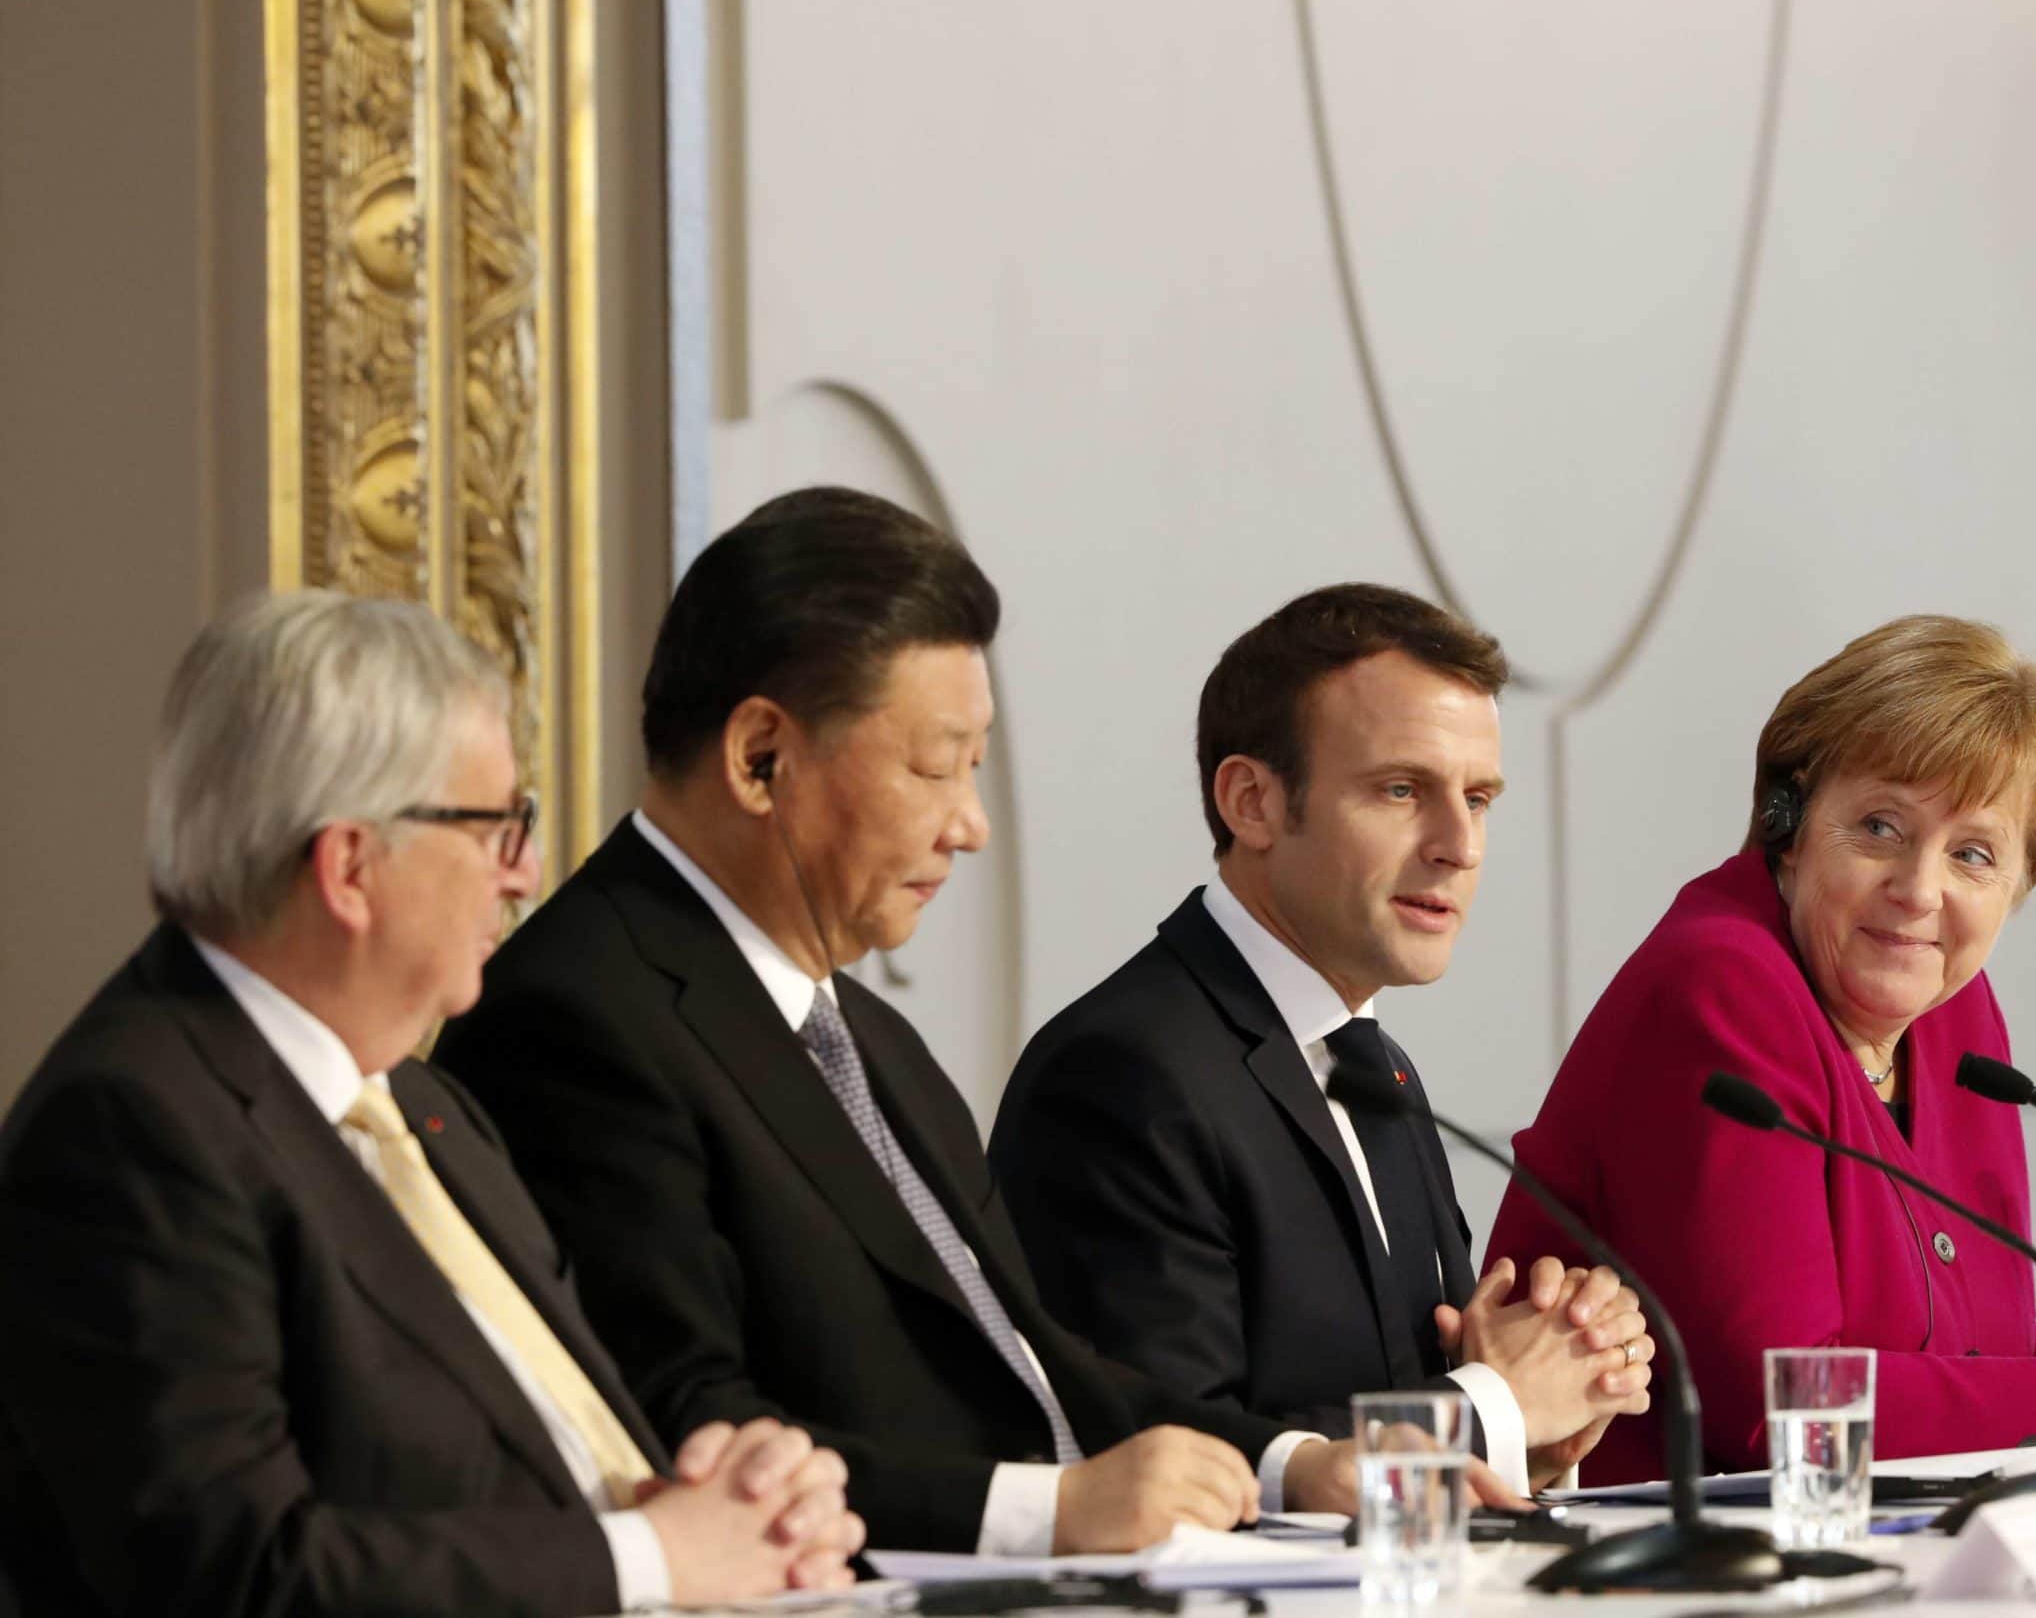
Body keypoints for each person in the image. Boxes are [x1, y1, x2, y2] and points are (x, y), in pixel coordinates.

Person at [440, 490, 1441, 1558]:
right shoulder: (575, 1015)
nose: (970, 825)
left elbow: (1037, 1358)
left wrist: (1295, 1465)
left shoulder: (874, 1039)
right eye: (935, 766)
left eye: (974, 767)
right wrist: (1046, 1515)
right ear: (760, 758)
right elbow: (683, 1427)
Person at [0, 593, 861, 1618]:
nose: (526, 873)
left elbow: (533, 1461)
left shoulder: (420, 1100)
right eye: (499, 827)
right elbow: (237, 1577)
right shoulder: (128, 1131)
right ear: (351, 868)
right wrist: (652, 1558)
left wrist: (718, 1497)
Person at [1483, 615, 2036, 1480]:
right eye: (1881, 826)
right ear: (1790, 820)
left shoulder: (1954, 1013)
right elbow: (1789, 1404)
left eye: (1973, 854)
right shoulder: (1722, 986)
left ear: (2016, 890)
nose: (1919, 890)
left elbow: (1968, 1346)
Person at [992, 584, 1652, 1493]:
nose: (1459, 843)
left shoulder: (1374, 1064)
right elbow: (1160, 1447)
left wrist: (1540, 1419)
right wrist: (1498, 1403)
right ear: (1252, 801)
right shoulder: (1122, 1071)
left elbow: (1396, 1395)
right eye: (1400, 788)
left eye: (1480, 797)